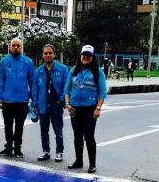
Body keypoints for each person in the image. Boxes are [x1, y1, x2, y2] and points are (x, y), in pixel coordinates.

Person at [64, 45, 107, 173]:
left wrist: (98, 108)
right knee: (77, 136)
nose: (86, 57)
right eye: (84, 55)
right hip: (75, 108)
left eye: (88, 55)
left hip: (90, 108)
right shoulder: (73, 70)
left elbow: (102, 92)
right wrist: (68, 104)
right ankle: (78, 161)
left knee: (88, 136)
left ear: (92, 57)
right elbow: (66, 89)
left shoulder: (98, 72)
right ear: (81, 55)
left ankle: (92, 164)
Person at [0, 37, 34, 159]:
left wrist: (33, 98)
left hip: (22, 100)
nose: (16, 47)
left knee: (19, 127)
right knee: (7, 126)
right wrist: (0, 97)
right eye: (14, 45)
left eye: (18, 45)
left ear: (21, 48)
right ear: (10, 47)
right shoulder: (4, 62)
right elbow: (0, 80)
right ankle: (8, 147)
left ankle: (17, 149)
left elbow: (32, 81)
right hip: (7, 101)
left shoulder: (28, 62)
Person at [31, 44, 68, 162]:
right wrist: (35, 104)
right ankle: (45, 151)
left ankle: (59, 152)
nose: (48, 55)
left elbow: (67, 87)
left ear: (54, 54)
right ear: (42, 55)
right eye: (45, 53)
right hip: (42, 105)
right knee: (44, 130)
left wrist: (61, 99)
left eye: (50, 53)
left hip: (56, 105)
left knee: (58, 130)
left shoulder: (62, 69)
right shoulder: (38, 72)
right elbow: (34, 90)